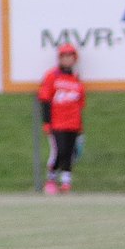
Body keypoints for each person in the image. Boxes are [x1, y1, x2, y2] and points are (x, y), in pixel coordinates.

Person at [38, 43, 86, 194]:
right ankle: (51, 179)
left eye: (70, 56)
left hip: (73, 123)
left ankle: (66, 182)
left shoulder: (76, 79)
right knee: (59, 151)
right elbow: (45, 99)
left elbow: (79, 104)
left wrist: (80, 127)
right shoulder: (52, 76)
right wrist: (47, 122)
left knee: (70, 153)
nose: (67, 59)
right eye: (64, 56)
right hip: (57, 123)